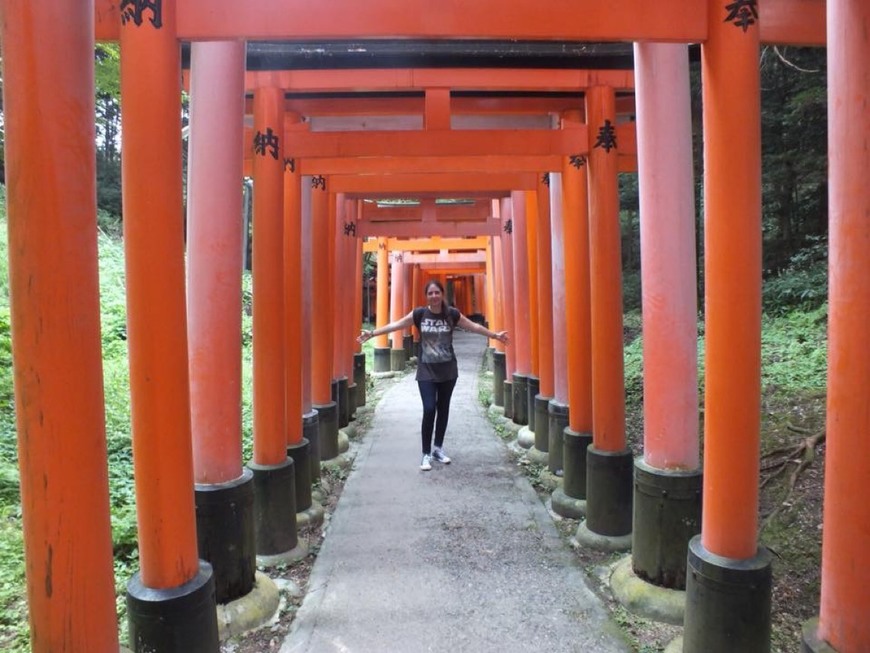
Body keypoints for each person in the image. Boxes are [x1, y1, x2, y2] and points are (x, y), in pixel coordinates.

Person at [358, 280, 510, 471]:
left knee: (443, 409)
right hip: (426, 371)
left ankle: (438, 448)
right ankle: (425, 453)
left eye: (437, 292)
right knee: (429, 409)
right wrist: (372, 333)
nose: (434, 296)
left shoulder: (451, 314)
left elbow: (474, 327)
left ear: (442, 294)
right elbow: (396, 325)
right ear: (426, 296)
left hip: (448, 370)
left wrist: (495, 335)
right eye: (430, 293)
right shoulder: (419, 314)